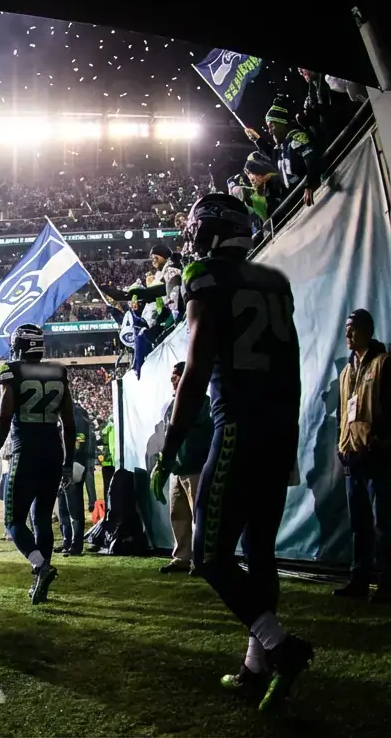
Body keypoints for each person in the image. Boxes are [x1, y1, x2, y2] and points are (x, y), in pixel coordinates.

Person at [151, 193, 310, 711]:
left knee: (209, 555)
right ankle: (255, 666)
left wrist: (171, 447)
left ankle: (280, 647)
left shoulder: (205, 277)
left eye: (196, 228)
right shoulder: (274, 281)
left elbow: (197, 369)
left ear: (213, 232)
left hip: (238, 426)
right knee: (259, 550)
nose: (191, 237)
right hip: (280, 428)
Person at [0, 323, 76, 605]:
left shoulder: (12, 370)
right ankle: (41, 585)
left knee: (13, 520)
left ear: (18, 347)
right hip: (53, 451)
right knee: (42, 519)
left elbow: (3, 418)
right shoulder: (58, 372)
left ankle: (40, 566)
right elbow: (69, 422)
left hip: (26, 451)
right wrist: (69, 461)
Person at [334, 309, 390, 601]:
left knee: (384, 524)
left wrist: (382, 441)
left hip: (378, 457)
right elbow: (343, 413)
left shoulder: (383, 364)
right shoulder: (346, 370)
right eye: (346, 328)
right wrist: (341, 445)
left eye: (352, 328)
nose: (347, 333)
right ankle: (359, 580)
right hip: (352, 456)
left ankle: (386, 584)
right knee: (359, 525)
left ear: (367, 330)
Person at [158, 361, 212, 574]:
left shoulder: (202, 402)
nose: (173, 381)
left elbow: (193, 427)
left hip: (196, 465)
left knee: (199, 516)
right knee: (178, 516)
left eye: (176, 377)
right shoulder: (173, 404)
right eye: (172, 378)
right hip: (177, 467)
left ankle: (201, 560)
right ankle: (181, 557)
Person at [56, 401, 93, 556]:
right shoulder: (68, 413)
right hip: (64, 463)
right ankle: (67, 541)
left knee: (73, 505)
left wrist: (69, 461)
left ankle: (75, 544)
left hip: (74, 464)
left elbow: (79, 441)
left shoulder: (76, 415)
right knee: (63, 505)